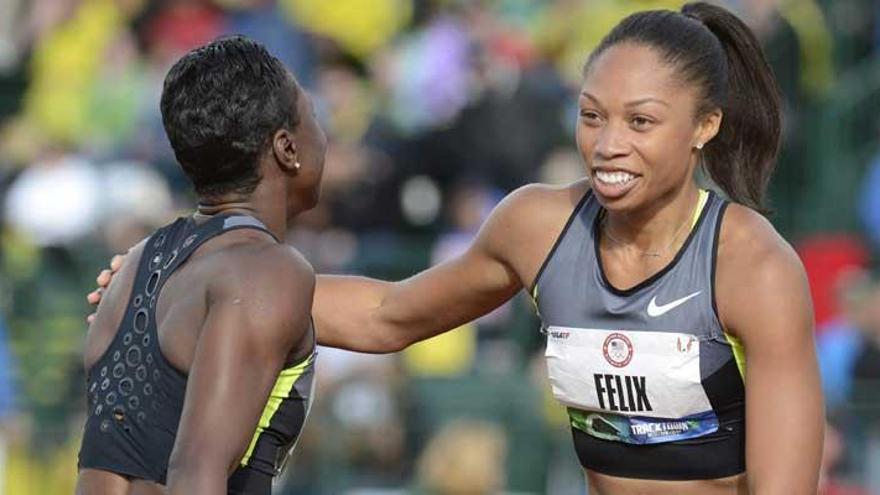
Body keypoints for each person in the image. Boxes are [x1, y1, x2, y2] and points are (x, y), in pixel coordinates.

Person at [91, 3, 824, 492]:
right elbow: (387, 313)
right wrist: (187, 282)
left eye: (641, 122)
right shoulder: (539, 226)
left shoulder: (752, 266)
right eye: (592, 115)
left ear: (704, 128)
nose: (606, 144)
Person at [77, 35, 326, 495]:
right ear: (287, 148)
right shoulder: (266, 272)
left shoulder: (136, 264)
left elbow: (390, 314)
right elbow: (195, 471)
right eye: (314, 115)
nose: (324, 132)